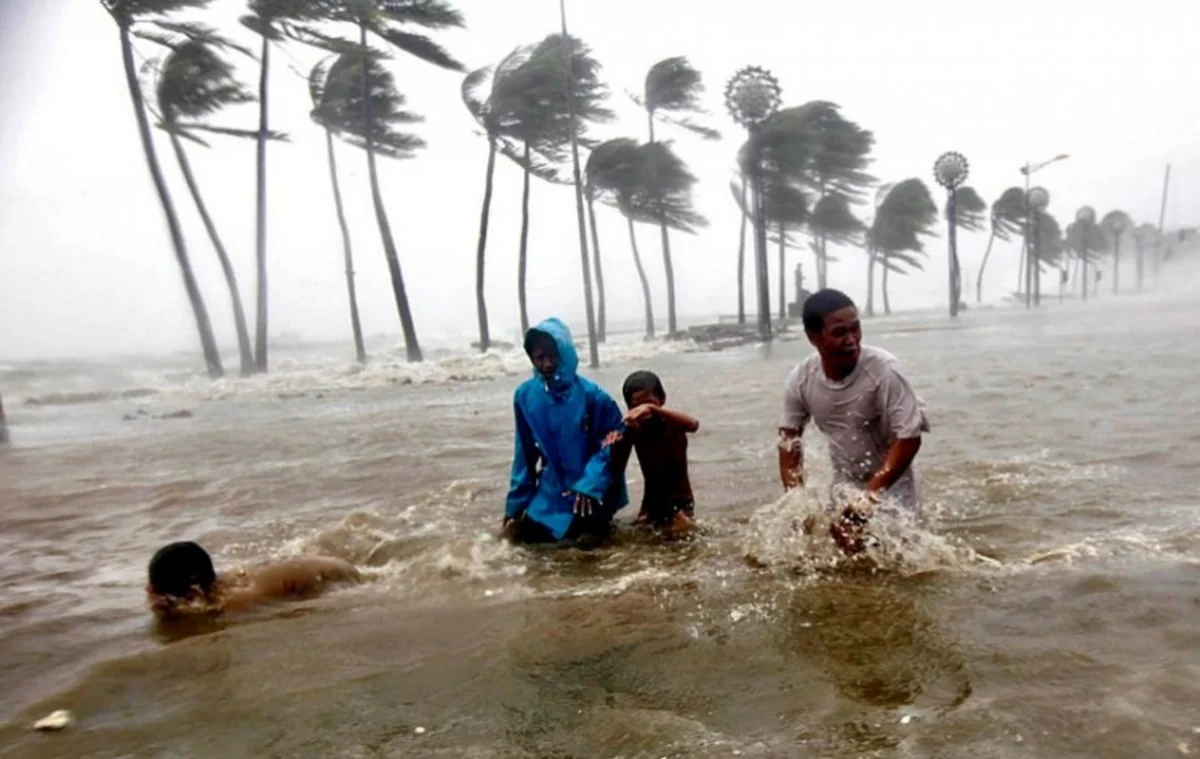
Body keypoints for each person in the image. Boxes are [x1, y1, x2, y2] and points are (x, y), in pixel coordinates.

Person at [777, 289, 930, 554]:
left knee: (897, 556)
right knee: (844, 555)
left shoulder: (885, 371)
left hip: (892, 479)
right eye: (839, 333)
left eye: (856, 329)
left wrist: (869, 497)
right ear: (813, 338)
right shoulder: (801, 379)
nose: (851, 340)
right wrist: (796, 500)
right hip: (845, 480)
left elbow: (910, 438)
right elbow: (788, 441)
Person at [502, 317, 628, 544]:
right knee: (519, 543)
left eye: (553, 356)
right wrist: (514, 507)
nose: (547, 364)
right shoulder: (525, 396)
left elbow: (614, 443)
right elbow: (524, 454)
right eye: (539, 358)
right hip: (552, 489)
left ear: (565, 353)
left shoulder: (593, 395)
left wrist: (590, 485)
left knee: (586, 548)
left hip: (592, 489)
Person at [146, 541, 361, 618]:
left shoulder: (239, 601)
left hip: (340, 573)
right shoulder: (217, 585)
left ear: (193, 589)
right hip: (322, 563)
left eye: (157, 589)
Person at [603, 370, 700, 535]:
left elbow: (694, 425)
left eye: (648, 404)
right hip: (651, 505)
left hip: (680, 503)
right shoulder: (634, 431)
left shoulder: (672, 423)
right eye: (636, 406)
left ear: (662, 399)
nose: (643, 411)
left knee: (681, 535)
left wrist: (654, 410)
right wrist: (616, 442)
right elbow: (617, 468)